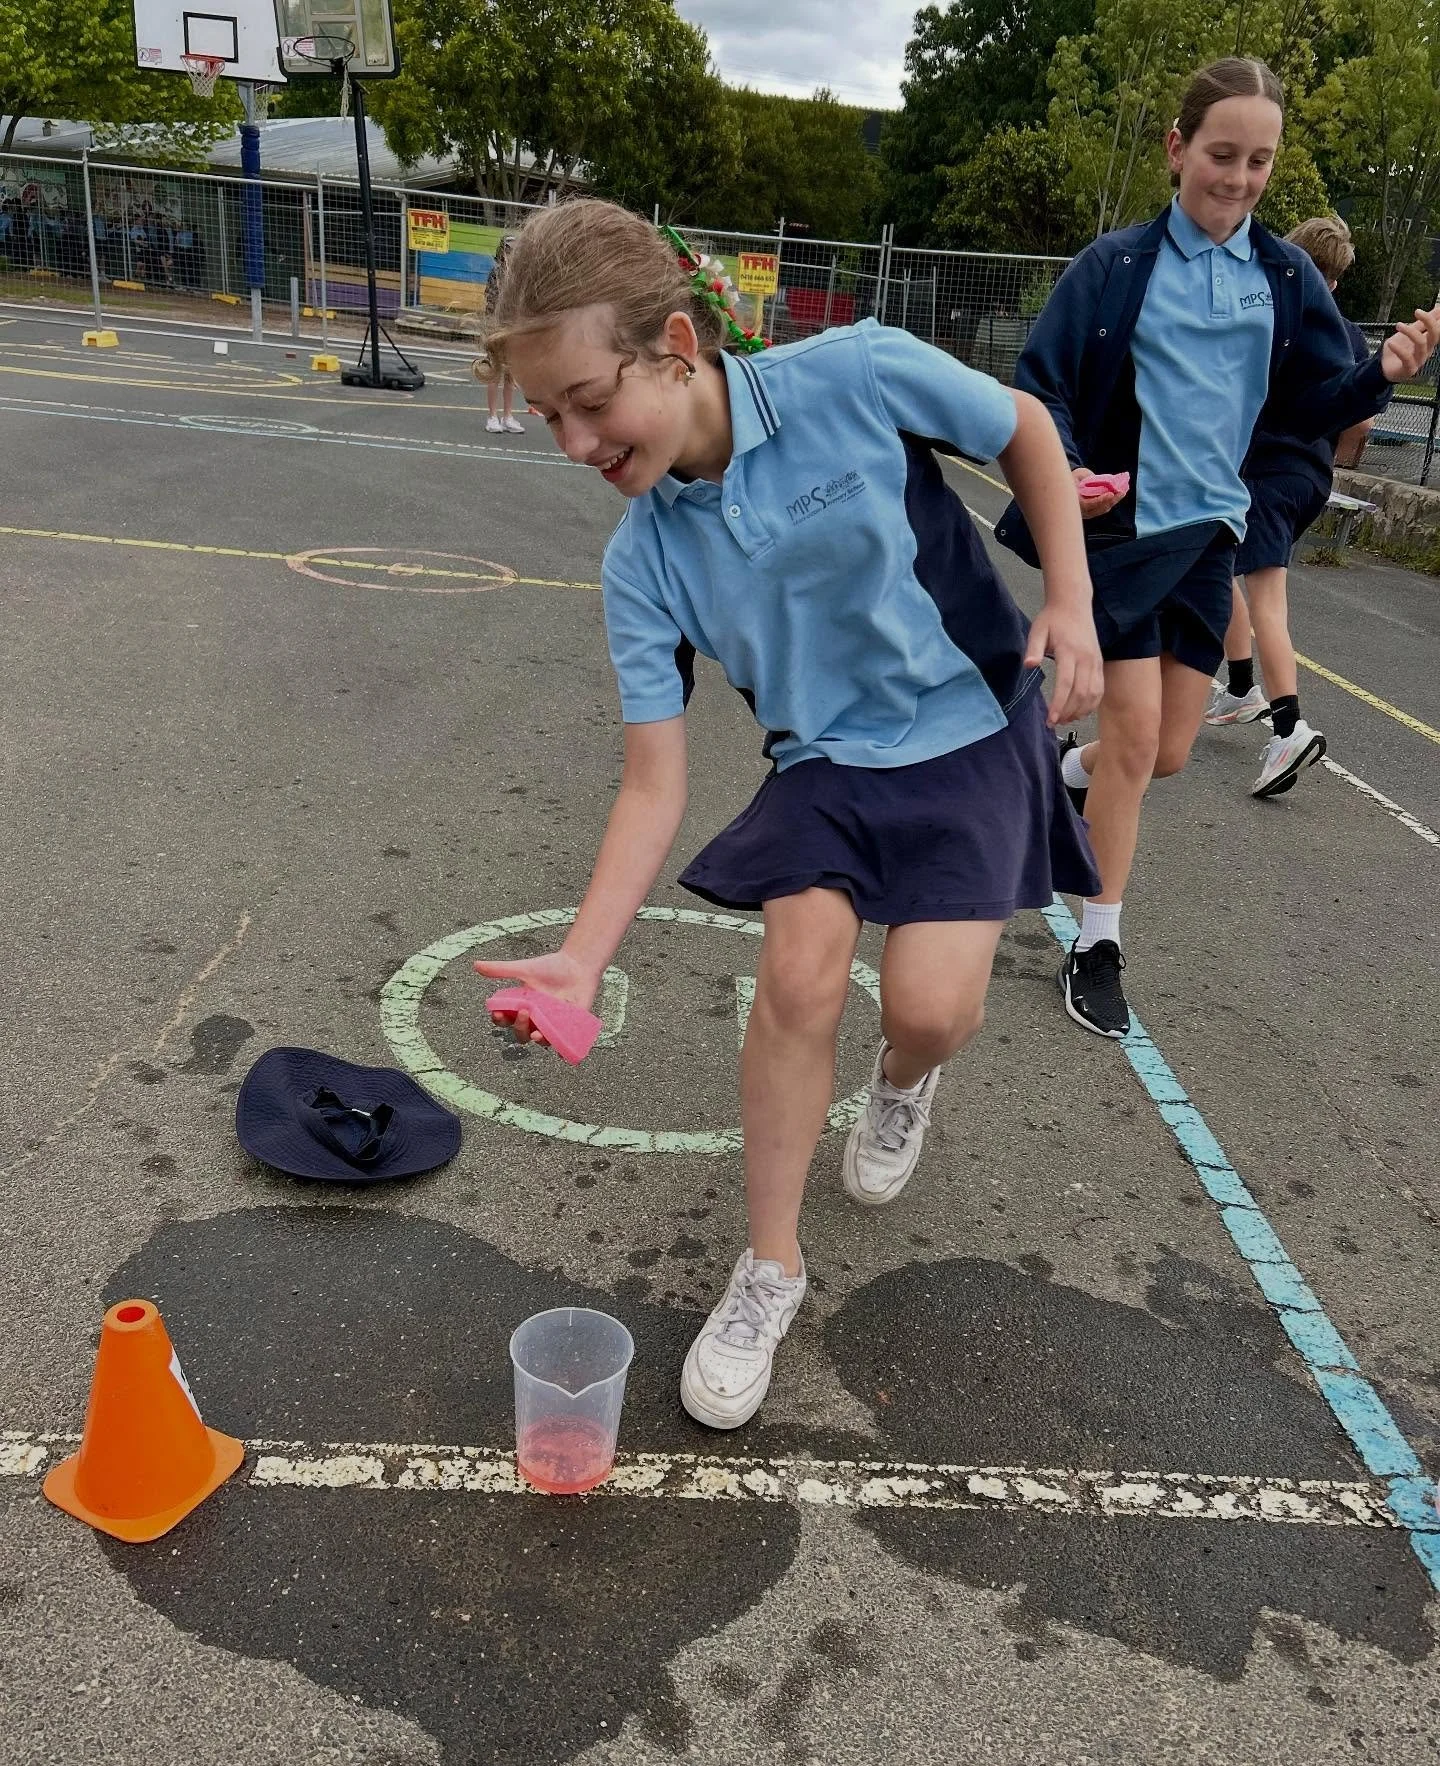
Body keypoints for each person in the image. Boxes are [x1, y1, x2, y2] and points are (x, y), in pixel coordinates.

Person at [469, 198, 1103, 1431]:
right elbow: (654, 781)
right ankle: (770, 1268)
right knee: (799, 975)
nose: (572, 440)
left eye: (592, 401)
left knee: (930, 1009)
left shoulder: (853, 374)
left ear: (677, 343)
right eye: (548, 414)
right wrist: (585, 958)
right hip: (823, 763)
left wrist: (1067, 600)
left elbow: (1025, 428)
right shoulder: (641, 561)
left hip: (971, 731)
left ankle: (906, 1080)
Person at [996, 55, 1440, 1040]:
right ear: (1178, 148)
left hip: (1210, 537)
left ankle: (1055, 768)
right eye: (1221, 154)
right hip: (1116, 533)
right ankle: (1098, 944)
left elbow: (1311, 405)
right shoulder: (1113, 267)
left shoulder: (1283, 277)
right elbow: (1042, 383)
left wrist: (1382, 375)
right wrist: (1066, 465)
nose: (1237, 179)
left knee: (1167, 752)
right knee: (1142, 735)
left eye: (1259, 162)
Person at [1206, 214, 1382, 796]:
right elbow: (1362, 416)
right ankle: (1239, 686)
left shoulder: (1274, 315)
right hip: (1308, 476)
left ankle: (1288, 727)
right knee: (1219, 560)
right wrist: (1333, 448)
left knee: (1267, 603)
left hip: (1269, 473)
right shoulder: (1346, 333)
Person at [480, 231, 525, 433]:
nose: (511, 254)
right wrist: (495, 326)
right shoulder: (496, 273)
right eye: (508, 250)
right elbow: (490, 301)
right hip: (497, 328)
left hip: (513, 328)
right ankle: (492, 416)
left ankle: (508, 416)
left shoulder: (519, 277)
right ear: (502, 252)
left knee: (510, 374)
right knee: (494, 372)